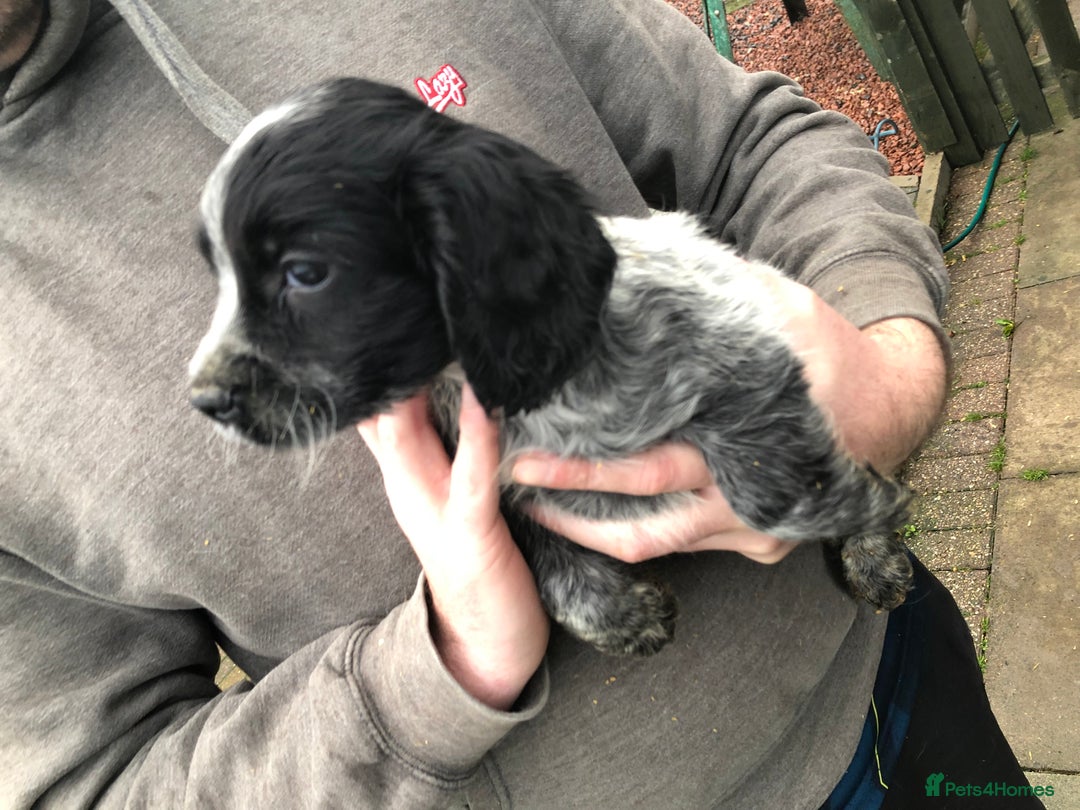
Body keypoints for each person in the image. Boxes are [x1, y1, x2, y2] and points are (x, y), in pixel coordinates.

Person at [0, 0, 1038, 807]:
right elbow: (91, 784)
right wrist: (440, 669)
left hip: (888, 696)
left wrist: (887, 378)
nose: (213, 379)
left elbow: (748, 140)